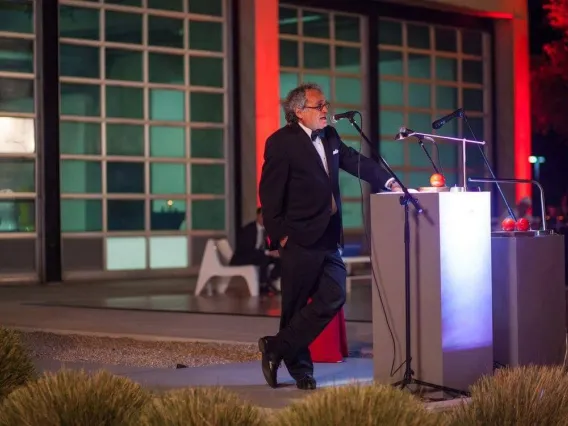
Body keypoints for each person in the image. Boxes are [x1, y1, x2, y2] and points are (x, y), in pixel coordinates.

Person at [258, 82, 402, 390]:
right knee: (295, 307)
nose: (326, 110)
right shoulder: (281, 142)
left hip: (328, 236)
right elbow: (269, 195)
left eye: (325, 104)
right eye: (319, 105)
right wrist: (280, 236)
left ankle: (276, 347)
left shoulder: (332, 136)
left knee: (335, 294)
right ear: (298, 111)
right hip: (298, 237)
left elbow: (355, 161)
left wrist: (389, 182)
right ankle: (301, 371)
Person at [230, 207, 280, 295]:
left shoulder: (268, 230)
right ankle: (263, 285)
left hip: (260, 255)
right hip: (244, 256)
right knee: (264, 258)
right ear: (258, 216)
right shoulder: (249, 230)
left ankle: (271, 279)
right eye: (262, 216)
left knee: (281, 258)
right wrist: (268, 253)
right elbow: (247, 250)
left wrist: (275, 252)